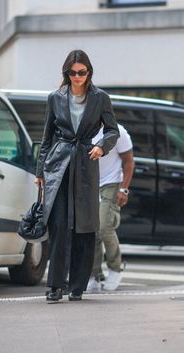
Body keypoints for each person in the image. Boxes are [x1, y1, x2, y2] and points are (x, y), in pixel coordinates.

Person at [34, 49, 119, 303]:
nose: (77, 77)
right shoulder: (55, 98)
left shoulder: (101, 98)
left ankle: (78, 285)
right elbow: (46, 138)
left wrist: (102, 145)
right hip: (58, 164)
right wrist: (40, 172)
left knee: (84, 225)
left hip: (85, 162)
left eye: (82, 72)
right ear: (67, 73)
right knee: (58, 224)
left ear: (89, 72)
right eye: (72, 73)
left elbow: (112, 130)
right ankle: (55, 286)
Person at [87, 124, 134, 292]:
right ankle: (94, 275)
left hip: (111, 183)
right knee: (91, 231)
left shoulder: (117, 131)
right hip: (90, 184)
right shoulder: (84, 128)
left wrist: (124, 189)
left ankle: (115, 268)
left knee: (104, 228)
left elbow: (128, 162)